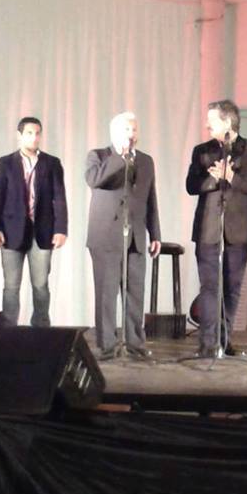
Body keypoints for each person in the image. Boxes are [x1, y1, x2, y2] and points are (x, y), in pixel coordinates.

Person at [185, 100, 247, 356]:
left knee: (232, 287)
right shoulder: (202, 151)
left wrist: (232, 178)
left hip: (239, 229)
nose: (207, 124)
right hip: (209, 227)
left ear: (228, 122)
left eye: (212, 120)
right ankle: (208, 343)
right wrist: (213, 178)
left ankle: (224, 340)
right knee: (209, 287)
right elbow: (191, 186)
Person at [85, 112, 161, 359]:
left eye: (134, 130)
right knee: (106, 294)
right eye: (126, 130)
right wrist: (120, 157)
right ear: (115, 133)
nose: (131, 135)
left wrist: (155, 233)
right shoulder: (99, 156)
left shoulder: (146, 161)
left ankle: (136, 343)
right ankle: (107, 345)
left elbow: (150, 198)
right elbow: (95, 180)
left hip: (136, 235)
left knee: (135, 293)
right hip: (106, 236)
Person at [0, 116, 68, 327]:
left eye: (37, 133)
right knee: (11, 286)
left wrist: (61, 229)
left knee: (41, 285)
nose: (34, 137)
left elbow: (59, 198)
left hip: (42, 231)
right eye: (29, 133)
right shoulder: (6, 163)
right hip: (11, 231)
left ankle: (41, 329)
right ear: (20, 135)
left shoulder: (51, 163)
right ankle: (8, 330)